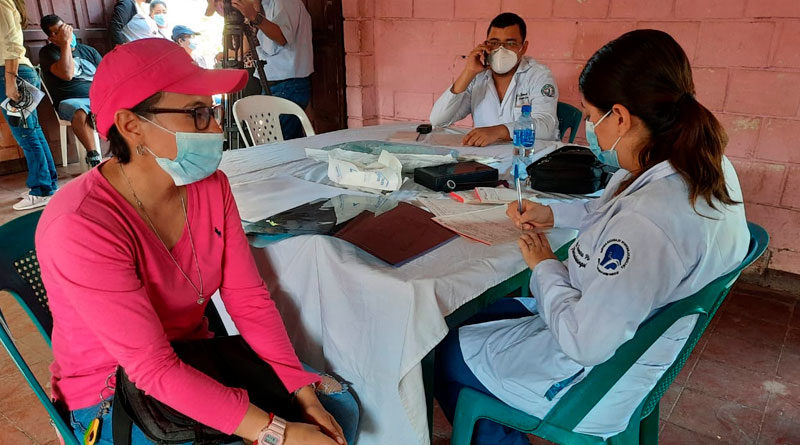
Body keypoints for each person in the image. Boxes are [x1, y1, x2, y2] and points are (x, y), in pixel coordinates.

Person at [36, 38, 359, 445]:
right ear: (132, 125)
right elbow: (151, 369)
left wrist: (302, 392)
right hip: (113, 393)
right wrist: (275, 432)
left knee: (338, 408)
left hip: (193, 358)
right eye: (198, 114)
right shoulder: (82, 224)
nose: (217, 129)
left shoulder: (210, 186)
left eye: (214, 111)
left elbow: (249, 300)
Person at [434, 29, 750, 444]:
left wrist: (543, 263)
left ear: (619, 117)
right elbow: (605, 210)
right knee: (480, 316)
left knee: (445, 353)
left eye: (588, 115)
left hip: (597, 378)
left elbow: (586, 344)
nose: (587, 128)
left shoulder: (648, 222)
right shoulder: (698, 161)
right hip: (632, 336)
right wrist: (551, 213)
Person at [430, 12, 559, 147]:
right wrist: (468, 72)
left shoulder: (538, 75)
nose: (501, 50)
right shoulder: (477, 76)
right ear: (486, 45)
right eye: (495, 43)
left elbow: (546, 126)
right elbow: (438, 120)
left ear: (523, 48)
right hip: (485, 160)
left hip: (529, 157)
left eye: (510, 43)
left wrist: (498, 131)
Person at [1, 0, 59, 210]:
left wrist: (9, 80)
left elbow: (13, 43)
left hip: (11, 74)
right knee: (32, 132)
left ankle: (41, 190)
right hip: (15, 74)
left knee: (26, 135)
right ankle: (49, 185)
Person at [232, 0, 313, 140]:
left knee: (278, 144)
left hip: (287, 84)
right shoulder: (267, 5)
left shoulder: (286, 2)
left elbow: (282, 37)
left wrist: (254, 17)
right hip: (275, 83)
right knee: (284, 144)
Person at [39, 14, 103, 167]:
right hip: (69, 100)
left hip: (96, 97)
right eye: (58, 32)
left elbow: (105, 76)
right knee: (79, 110)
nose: (64, 33)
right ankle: (93, 156)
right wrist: (65, 44)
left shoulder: (89, 51)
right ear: (52, 37)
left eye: (64, 29)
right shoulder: (48, 53)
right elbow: (67, 74)